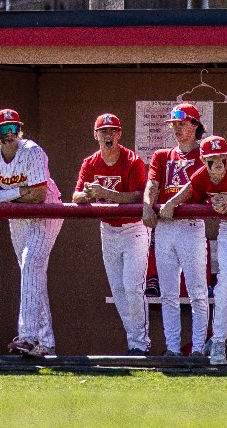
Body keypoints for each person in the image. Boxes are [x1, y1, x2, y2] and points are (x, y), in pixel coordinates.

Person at [160, 136, 227, 366]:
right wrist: (171, 203)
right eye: (212, 160)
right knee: (225, 283)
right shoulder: (200, 175)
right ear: (203, 160)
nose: (218, 164)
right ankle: (219, 341)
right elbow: (191, 190)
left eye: (222, 158)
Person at [0, 109, 64, 358]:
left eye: (14, 128)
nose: (10, 133)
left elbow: (37, 196)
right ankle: (45, 342)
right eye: (4, 129)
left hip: (47, 210)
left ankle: (27, 337)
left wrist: (5, 194)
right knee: (31, 272)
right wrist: (18, 192)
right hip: (18, 213)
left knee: (31, 265)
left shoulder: (32, 151)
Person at [73, 113, 151, 356]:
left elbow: (138, 197)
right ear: (95, 135)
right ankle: (134, 342)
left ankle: (141, 343)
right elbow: (76, 195)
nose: (108, 135)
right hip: (108, 229)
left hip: (134, 228)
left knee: (132, 286)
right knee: (118, 289)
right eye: (103, 131)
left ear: (120, 134)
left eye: (112, 131)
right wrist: (87, 195)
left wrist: (105, 193)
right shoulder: (90, 162)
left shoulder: (133, 160)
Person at [142, 103, 210, 357]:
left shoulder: (205, 153)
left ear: (195, 125)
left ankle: (199, 348)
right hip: (165, 227)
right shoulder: (162, 155)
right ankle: (172, 349)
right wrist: (148, 205)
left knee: (197, 292)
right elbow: (152, 183)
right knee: (168, 293)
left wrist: (172, 203)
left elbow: (199, 185)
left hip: (191, 225)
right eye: (174, 125)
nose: (177, 129)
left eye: (182, 124)